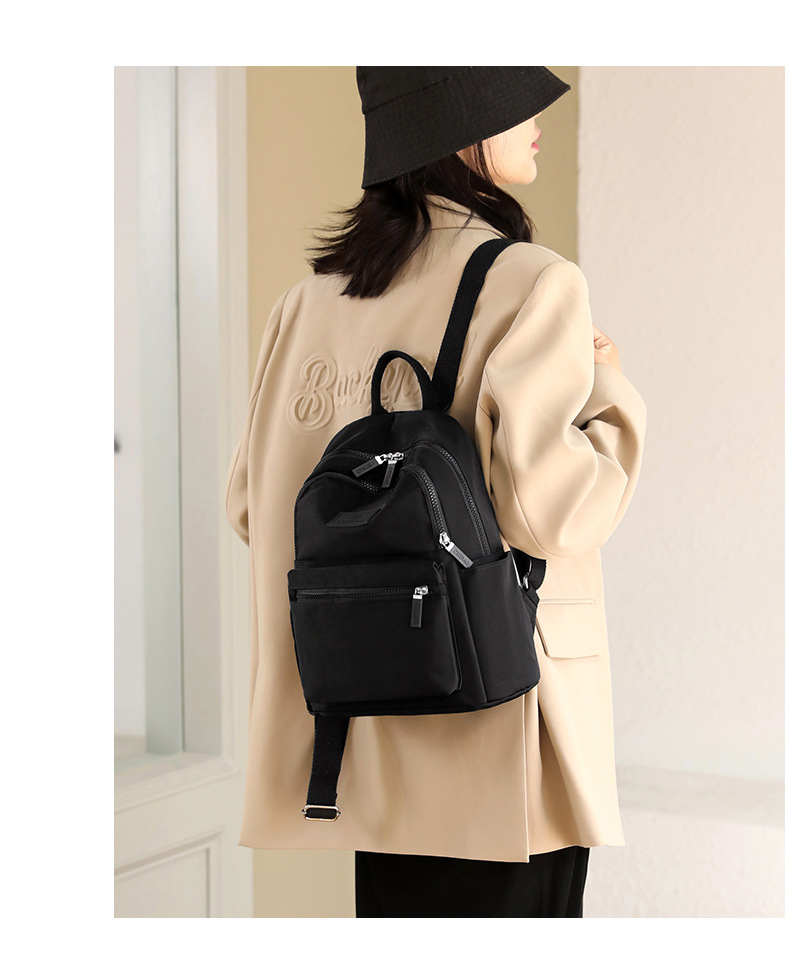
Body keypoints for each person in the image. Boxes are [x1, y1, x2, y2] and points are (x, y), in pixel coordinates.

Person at [225, 66, 646, 917]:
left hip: (360, 735)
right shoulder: (533, 282)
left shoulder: (306, 303)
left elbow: (250, 507)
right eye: (512, 102)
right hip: (491, 732)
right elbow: (551, 513)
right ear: (462, 127)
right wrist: (609, 392)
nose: (537, 116)